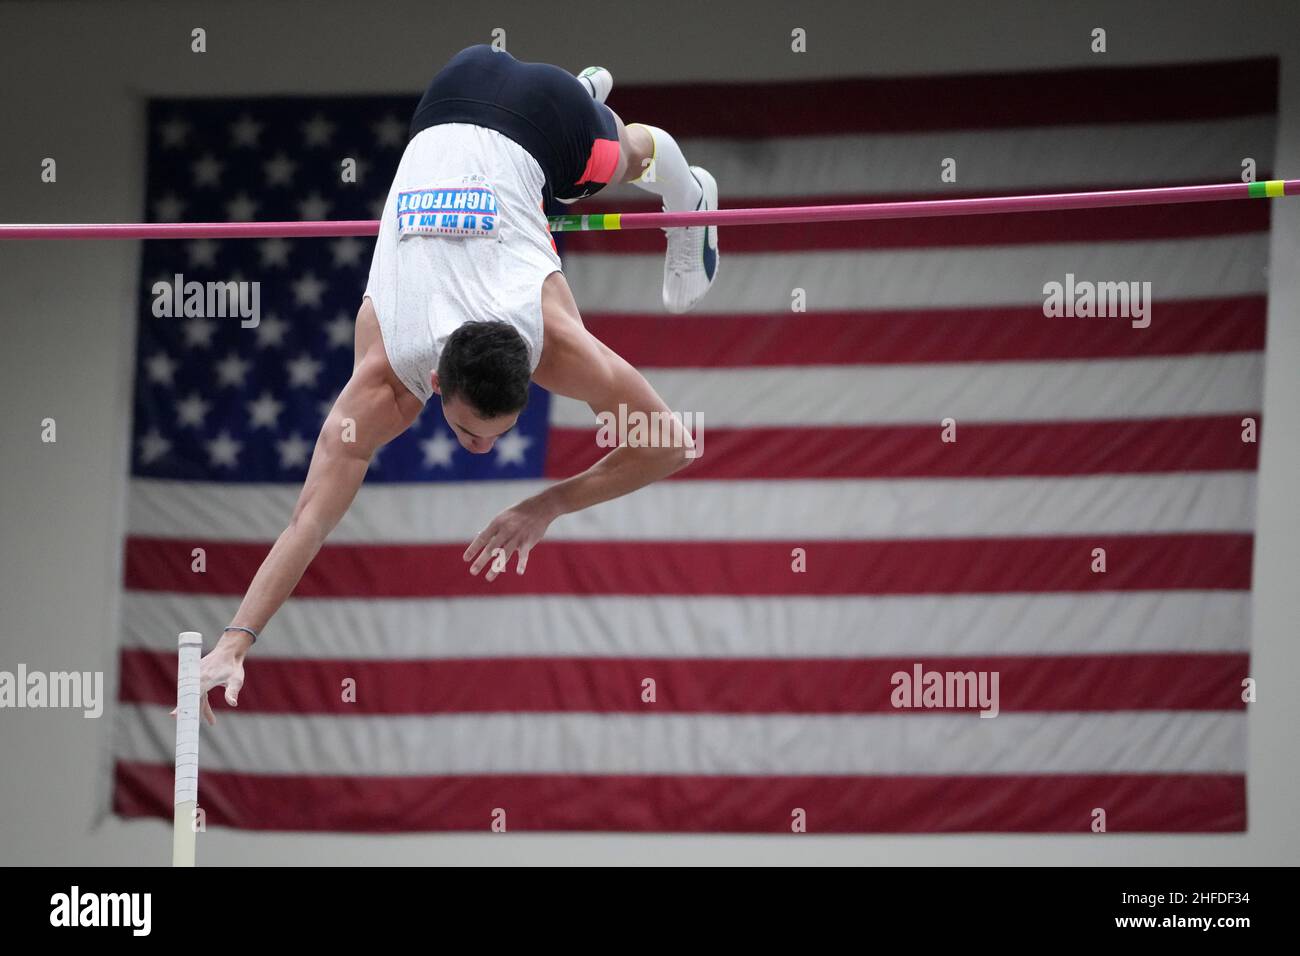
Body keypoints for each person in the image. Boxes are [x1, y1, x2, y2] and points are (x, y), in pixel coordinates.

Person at [186, 45, 719, 722]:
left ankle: (684, 184)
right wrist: (233, 644)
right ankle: (611, 125)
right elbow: (308, 522)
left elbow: (673, 445)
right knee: (586, 172)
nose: (479, 448)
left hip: (480, 92)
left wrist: (547, 505)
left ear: (530, 377)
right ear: (435, 379)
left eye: (493, 433)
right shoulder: (388, 369)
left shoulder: (555, 344)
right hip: (483, 106)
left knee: (589, 171)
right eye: (472, 430)